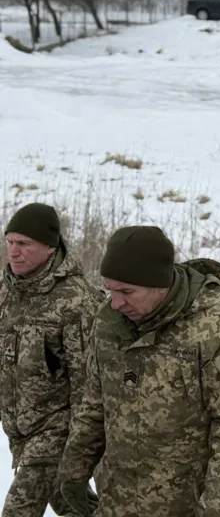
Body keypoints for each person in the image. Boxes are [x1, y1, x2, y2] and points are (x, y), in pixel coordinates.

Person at [58, 226, 220, 516]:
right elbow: (95, 402)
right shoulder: (109, 323)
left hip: (188, 504)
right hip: (118, 498)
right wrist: (74, 469)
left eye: (127, 291)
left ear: (160, 283)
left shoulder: (218, 328)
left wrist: (219, 509)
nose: (115, 302)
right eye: (109, 290)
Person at [1, 203, 102, 517]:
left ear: (49, 247)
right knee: (72, 505)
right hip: (19, 429)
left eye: (23, 244)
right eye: (9, 242)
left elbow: (88, 380)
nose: (13, 252)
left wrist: (80, 442)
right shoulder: (6, 292)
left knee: (17, 510)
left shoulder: (76, 300)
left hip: (57, 431)